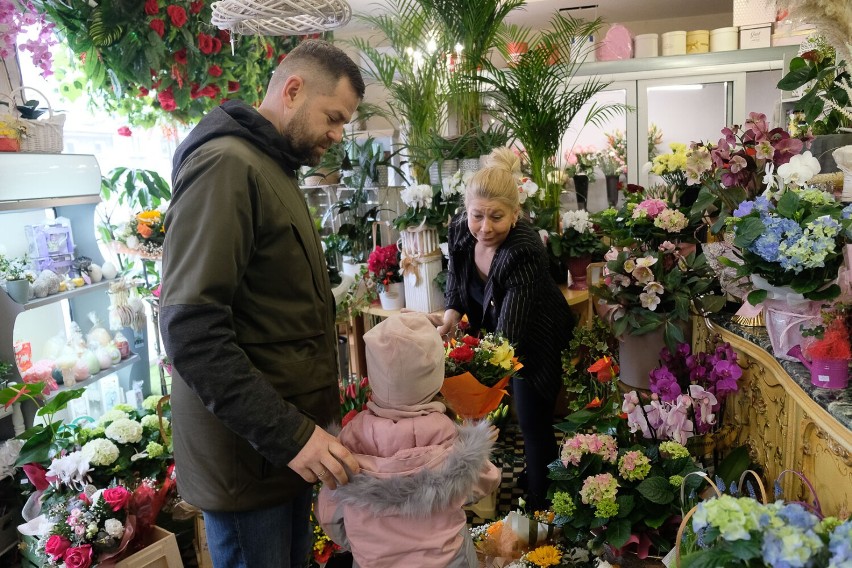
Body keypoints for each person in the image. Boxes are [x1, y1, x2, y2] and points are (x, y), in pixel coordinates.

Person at [159, 40, 365, 568]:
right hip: (251, 456)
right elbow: (191, 328)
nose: (338, 135)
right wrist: (292, 436)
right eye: (334, 117)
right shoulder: (227, 165)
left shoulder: (270, 164)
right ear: (293, 90)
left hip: (280, 453)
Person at [437, 147, 575, 511]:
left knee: (532, 421)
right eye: (477, 215)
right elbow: (457, 279)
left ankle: (541, 503)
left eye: (496, 217)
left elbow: (510, 335)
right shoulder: (461, 232)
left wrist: (472, 377)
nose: (484, 227)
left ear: (516, 214)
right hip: (501, 332)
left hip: (536, 335)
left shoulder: (524, 250)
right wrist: (451, 313)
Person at [316, 312, 501, 567]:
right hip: (446, 560)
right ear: (436, 375)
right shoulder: (445, 431)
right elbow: (485, 480)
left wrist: (361, 543)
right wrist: (478, 445)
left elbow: (329, 513)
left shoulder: (352, 437)